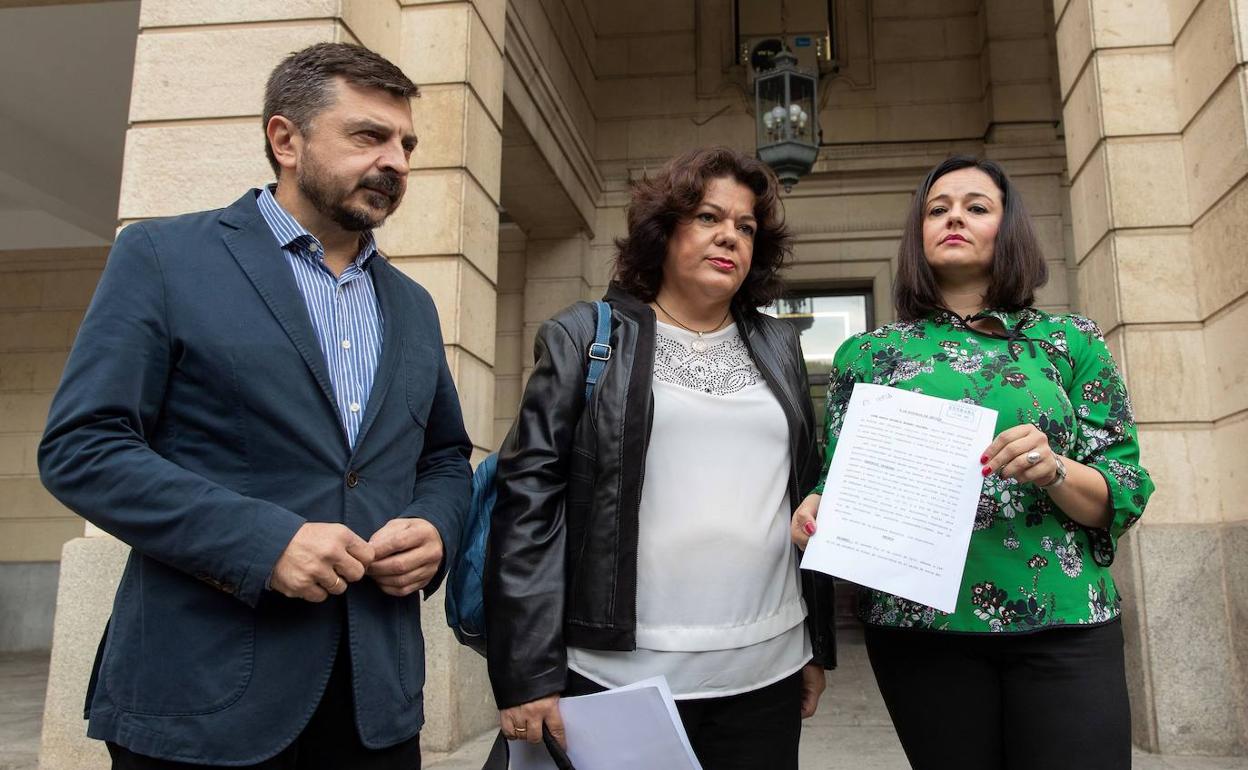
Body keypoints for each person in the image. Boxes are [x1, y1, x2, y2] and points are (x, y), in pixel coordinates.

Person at [38, 43, 472, 769]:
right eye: (369, 136)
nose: (396, 160)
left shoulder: (414, 306)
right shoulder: (164, 257)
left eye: (406, 144)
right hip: (201, 698)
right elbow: (83, 448)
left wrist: (436, 528)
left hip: (376, 705)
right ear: (286, 140)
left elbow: (445, 458)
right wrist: (261, 542)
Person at [792, 155, 1154, 770]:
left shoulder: (1070, 341)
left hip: (1065, 622)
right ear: (919, 233)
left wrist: (1055, 468)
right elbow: (838, 481)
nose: (954, 216)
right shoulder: (868, 354)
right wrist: (818, 508)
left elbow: (1123, 487)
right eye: (938, 209)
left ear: (1006, 229)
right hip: (921, 633)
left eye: (976, 207)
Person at [485, 146, 836, 769]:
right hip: (619, 678)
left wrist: (814, 643)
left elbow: (805, 494)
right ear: (664, 230)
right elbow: (528, 505)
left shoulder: (779, 346)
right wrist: (527, 673)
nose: (729, 234)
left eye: (746, 226)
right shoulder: (586, 337)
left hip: (768, 671)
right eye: (707, 217)